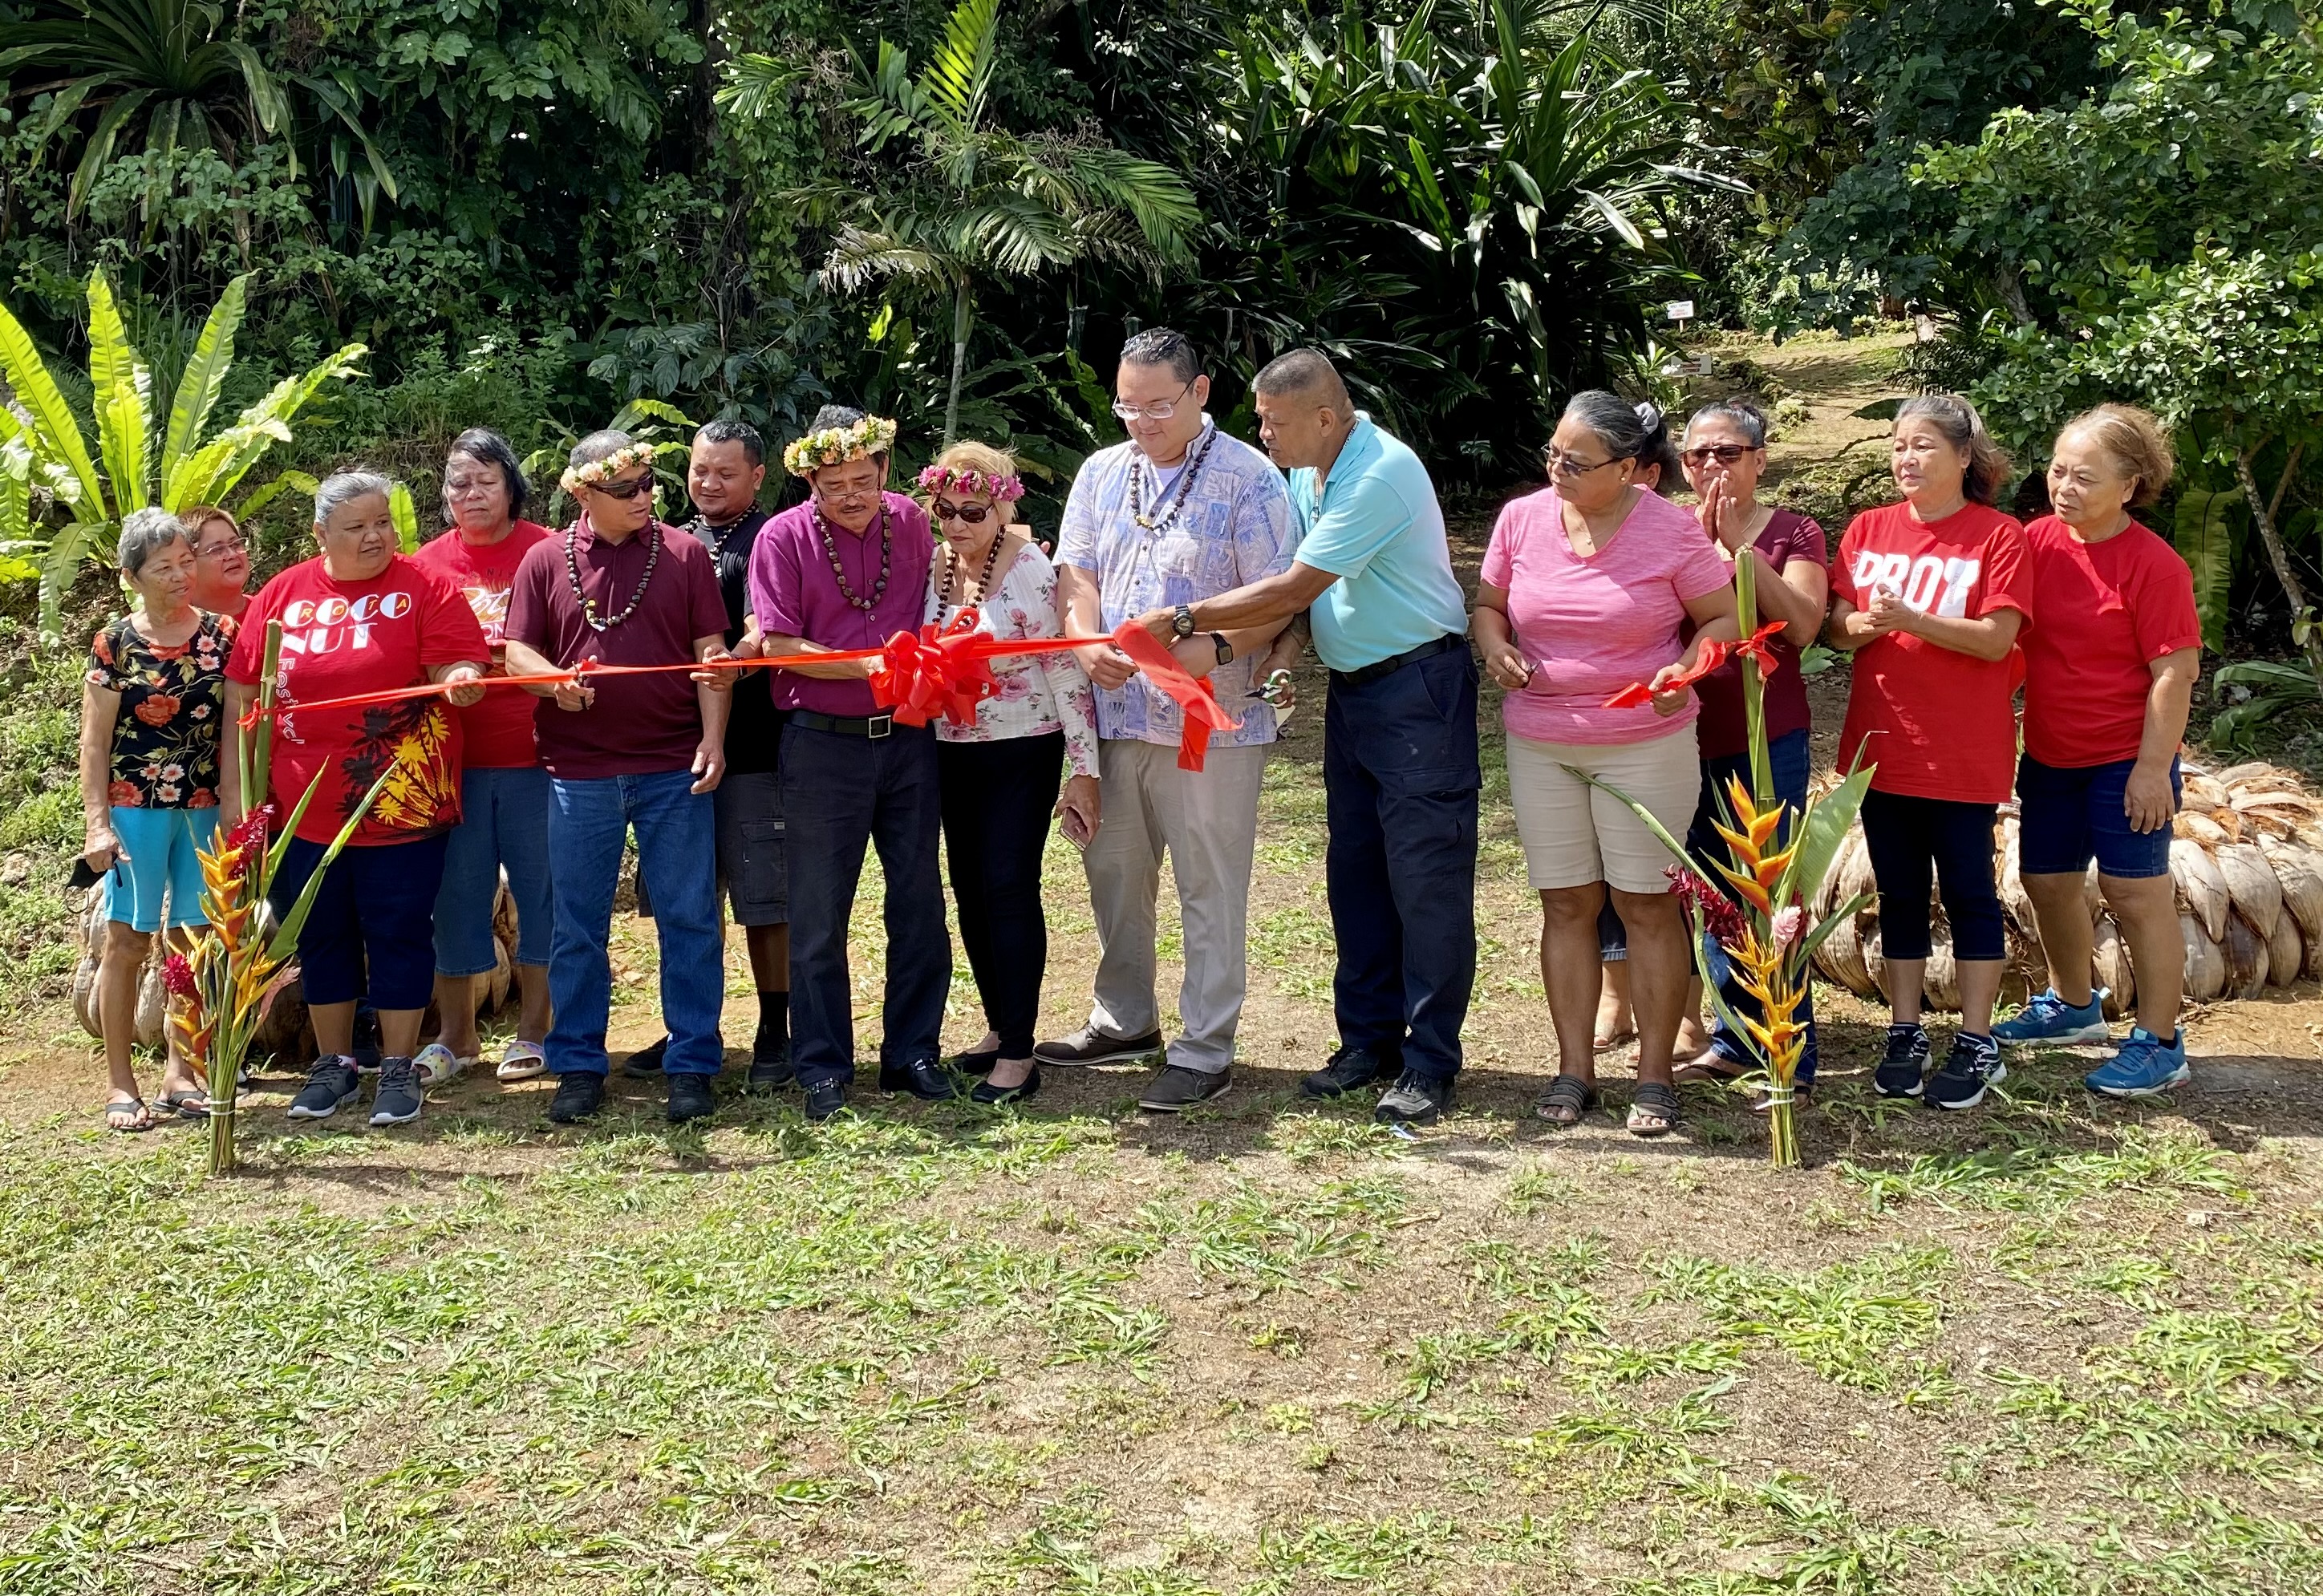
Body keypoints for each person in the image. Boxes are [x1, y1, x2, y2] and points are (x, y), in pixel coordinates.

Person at [1130, 347, 1476, 1126]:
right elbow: (1302, 602)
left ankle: (1428, 1062)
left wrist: (1186, 620)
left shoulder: (1378, 470)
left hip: (1418, 689)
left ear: (1325, 417)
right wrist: (1277, 654)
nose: (1264, 435)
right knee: (1354, 872)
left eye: (1275, 422)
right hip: (1357, 692)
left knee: (1423, 878)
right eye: (1259, 420)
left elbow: (1296, 584)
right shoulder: (1306, 473)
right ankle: (1368, 1042)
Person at [1036, 328, 1300, 1112]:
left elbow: (1276, 597)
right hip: (1116, 714)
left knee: (1207, 880)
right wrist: (1086, 645)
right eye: (1127, 405)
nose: (1140, 421)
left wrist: (1212, 651)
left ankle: (1205, 1044)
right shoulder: (1100, 471)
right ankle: (1125, 1017)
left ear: (1200, 392)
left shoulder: (1248, 479)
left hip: (1206, 721)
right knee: (1114, 870)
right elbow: (1075, 570)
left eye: (1158, 405)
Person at [1472, 391, 1739, 1137]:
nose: (1556, 468)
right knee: (1565, 903)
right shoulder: (1520, 519)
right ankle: (1573, 1071)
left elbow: (1723, 619)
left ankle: (1655, 1077)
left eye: (1576, 461)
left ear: (1628, 470)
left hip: (1645, 743)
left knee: (1648, 904)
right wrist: (1495, 647)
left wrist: (1683, 673)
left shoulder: (1669, 529)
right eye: (1553, 453)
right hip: (1542, 740)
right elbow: (1489, 607)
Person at [222, 472, 490, 1130]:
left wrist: (460, 680)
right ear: (320, 535)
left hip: (399, 803)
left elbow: (458, 663)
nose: (376, 537)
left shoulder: (425, 587)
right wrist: (235, 791)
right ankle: (334, 1065)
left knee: (399, 932)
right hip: (301, 809)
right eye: (357, 527)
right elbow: (241, 695)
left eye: (383, 524)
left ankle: (398, 1070)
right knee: (320, 934)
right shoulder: (284, 594)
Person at [503, 431, 735, 1125]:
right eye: (627, 488)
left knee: (689, 918)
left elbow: (711, 655)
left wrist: (714, 741)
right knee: (577, 925)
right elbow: (517, 650)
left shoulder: (687, 553)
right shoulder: (545, 559)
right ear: (583, 493)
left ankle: (693, 1061)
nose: (645, 496)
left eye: (648, 482)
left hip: (673, 765)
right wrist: (553, 684)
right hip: (579, 772)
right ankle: (577, 1063)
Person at [1825, 395, 2032, 1110]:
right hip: (1882, 747)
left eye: (1923, 447)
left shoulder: (1999, 536)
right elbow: (1836, 629)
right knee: (1900, 893)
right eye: (1897, 446)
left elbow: (1997, 639)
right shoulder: (1868, 529)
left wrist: (1913, 619)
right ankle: (1904, 1030)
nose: (1906, 459)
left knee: (1972, 894)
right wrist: (1861, 623)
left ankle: (1977, 1040)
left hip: (1963, 752)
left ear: (1964, 457)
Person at [746, 406, 951, 1123]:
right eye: (836, 485)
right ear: (809, 478)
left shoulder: (916, 524)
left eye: (864, 480)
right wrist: (861, 662)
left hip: (908, 738)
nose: (853, 496)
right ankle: (824, 1067)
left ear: (886, 471)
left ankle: (913, 1053)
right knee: (818, 912)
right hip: (820, 742)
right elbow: (777, 646)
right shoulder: (782, 537)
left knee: (919, 900)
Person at [1993, 405, 2199, 1097]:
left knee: (2135, 894)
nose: (2064, 486)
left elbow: (2175, 673)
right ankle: (2074, 1006)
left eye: (2085, 476)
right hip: (2052, 749)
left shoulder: (2156, 566)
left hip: (2126, 754)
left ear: (2131, 485)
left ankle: (2161, 1040)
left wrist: (2151, 768)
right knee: (2047, 883)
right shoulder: (2035, 543)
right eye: (2057, 470)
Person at [920, 440, 1101, 1105]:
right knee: (967, 888)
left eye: (974, 511)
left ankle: (1022, 1052)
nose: (960, 525)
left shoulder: (1029, 569)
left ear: (1002, 509)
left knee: (1008, 886)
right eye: (947, 511)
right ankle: (1000, 1028)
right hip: (949, 748)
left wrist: (1085, 770)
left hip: (1022, 746)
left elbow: (1064, 670)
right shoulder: (937, 564)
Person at [1668, 399, 1831, 1106]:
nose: (1711, 466)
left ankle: (1787, 1043)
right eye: (1698, 454)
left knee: (1768, 890)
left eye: (1728, 452)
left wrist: (1737, 550)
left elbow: (1801, 625)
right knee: (1708, 891)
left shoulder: (1796, 532)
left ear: (1760, 460)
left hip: (1767, 739)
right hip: (1681, 735)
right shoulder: (1664, 529)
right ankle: (1735, 1038)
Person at [629, 420, 795, 1093]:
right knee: (686, 900)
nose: (709, 483)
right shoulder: (664, 542)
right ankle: (690, 1025)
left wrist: (742, 656)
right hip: (671, 749)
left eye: (726, 472)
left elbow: (766, 624)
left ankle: (775, 1029)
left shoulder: (772, 538)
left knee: (764, 898)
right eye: (700, 470)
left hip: (757, 746)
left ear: (758, 477)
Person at [409, 428, 556, 1086]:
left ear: (512, 487)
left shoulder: (551, 553)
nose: (470, 494)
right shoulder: (423, 566)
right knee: (454, 897)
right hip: (452, 764)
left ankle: (535, 1030)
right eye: (457, 483)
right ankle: (457, 1036)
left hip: (539, 757)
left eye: (485, 481)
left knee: (541, 893)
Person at [79, 508, 233, 1130]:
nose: (179, 575)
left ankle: (182, 1071)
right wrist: (97, 824)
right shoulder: (115, 642)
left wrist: (238, 804)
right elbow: (94, 743)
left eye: (185, 562)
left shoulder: (222, 634)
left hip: (205, 809)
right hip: (134, 806)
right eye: (162, 567)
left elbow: (235, 729)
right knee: (126, 941)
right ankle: (121, 1085)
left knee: (191, 942)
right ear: (132, 577)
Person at [181, 504, 252, 626]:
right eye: (217, 550)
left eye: (236, 544)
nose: (232, 554)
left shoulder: (272, 610)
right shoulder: (174, 631)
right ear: (187, 563)